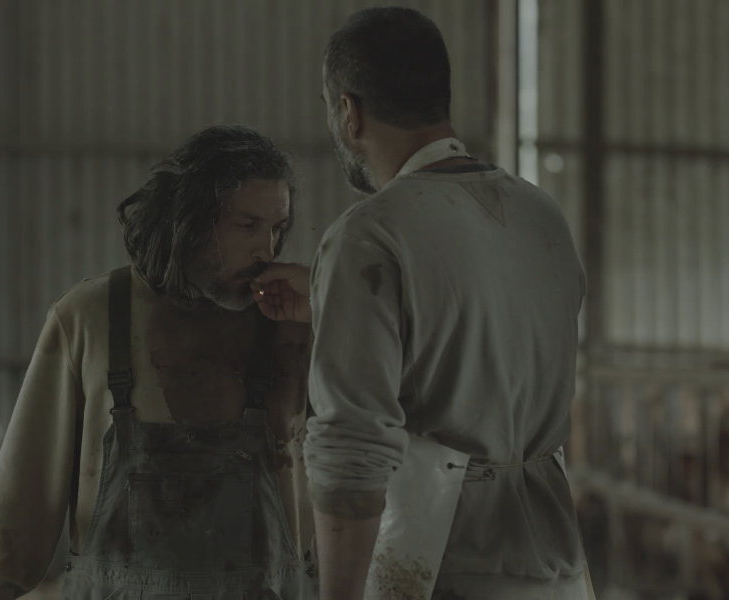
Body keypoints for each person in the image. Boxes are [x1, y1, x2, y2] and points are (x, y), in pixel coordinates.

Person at [253, 7, 591, 600]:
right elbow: (482, 327)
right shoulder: (540, 213)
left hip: (442, 567)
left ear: (349, 112)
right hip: (553, 565)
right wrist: (333, 297)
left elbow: (352, 450)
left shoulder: (370, 235)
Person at [0, 125, 319, 600]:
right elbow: (17, 509)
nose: (267, 250)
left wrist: (330, 309)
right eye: (247, 225)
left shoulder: (295, 324)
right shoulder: (90, 318)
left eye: (276, 228)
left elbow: (374, 452)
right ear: (189, 220)